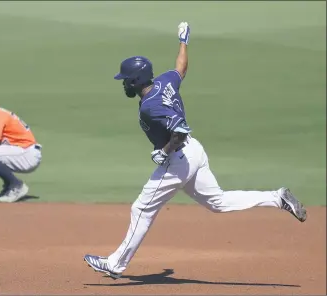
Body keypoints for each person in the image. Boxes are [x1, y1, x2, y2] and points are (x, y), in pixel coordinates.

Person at [83, 22, 307, 279]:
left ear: (135, 81)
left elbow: (180, 131)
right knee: (218, 202)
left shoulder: (150, 106)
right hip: (194, 153)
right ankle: (277, 197)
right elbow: (181, 68)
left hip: (178, 158)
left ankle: (116, 264)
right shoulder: (165, 81)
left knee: (141, 209)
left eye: (125, 81)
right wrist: (183, 41)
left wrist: (164, 151)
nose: (123, 85)